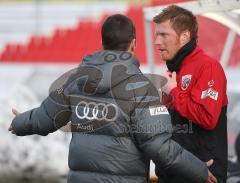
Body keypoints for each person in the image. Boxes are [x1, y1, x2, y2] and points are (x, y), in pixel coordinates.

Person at [9, 14, 216, 183]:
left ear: (102, 43)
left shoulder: (77, 79)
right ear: (133, 44)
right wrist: (198, 170)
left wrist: (19, 122)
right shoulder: (143, 88)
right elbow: (159, 147)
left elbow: (46, 116)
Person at [153, 5, 228, 183]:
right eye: (157, 34)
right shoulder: (174, 71)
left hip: (202, 175)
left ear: (185, 36)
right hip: (173, 173)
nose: (156, 41)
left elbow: (206, 117)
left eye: (164, 34)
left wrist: (174, 91)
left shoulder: (207, 67)